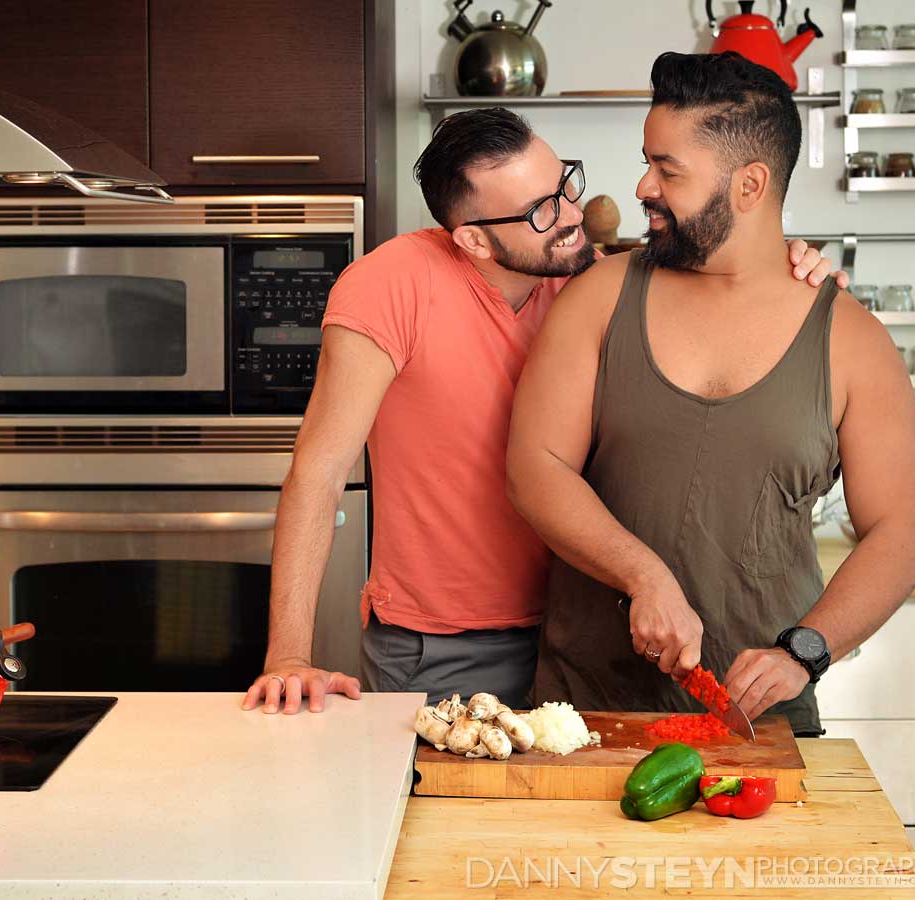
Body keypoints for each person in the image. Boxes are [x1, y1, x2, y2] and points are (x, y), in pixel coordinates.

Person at [241, 105, 846, 717]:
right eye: (541, 210)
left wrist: (788, 264)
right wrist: (288, 655)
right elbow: (318, 474)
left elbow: (723, 266)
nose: (572, 215)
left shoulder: (588, 277)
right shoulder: (387, 287)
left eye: (565, 183)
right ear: (474, 239)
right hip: (440, 649)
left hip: (584, 638)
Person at [504, 52, 915, 736]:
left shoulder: (851, 342)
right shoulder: (598, 298)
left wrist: (807, 649)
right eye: (648, 161)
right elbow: (534, 469)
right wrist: (643, 575)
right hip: (585, 715)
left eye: (667, 170)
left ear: (749, 185)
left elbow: (901, 532)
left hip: (758, 725)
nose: (643, 185)